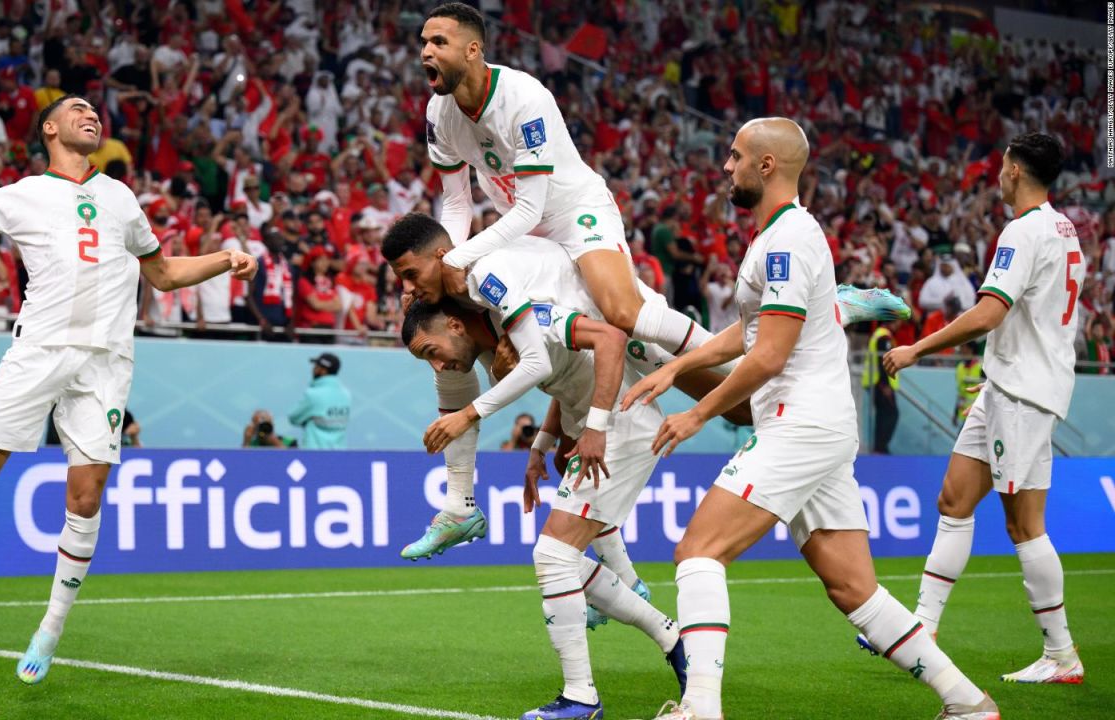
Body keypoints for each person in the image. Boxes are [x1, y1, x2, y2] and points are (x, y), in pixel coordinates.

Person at [0, 97, 258, 685]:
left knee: (86, 496)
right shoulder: (22, 193)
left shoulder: (121, 197)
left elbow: (164, 273)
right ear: (49, 128)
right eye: (77, 109)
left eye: (95, 110)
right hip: (38, 352)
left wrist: (225, 258)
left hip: (105, 362)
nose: (92, 114)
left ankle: (49, 630)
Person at [622, 118, 995, 720]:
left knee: (698, 551)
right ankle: (968, 702)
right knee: (854, 589)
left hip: (800, 424)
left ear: (766, 166)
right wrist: (678, 366)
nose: (725, 166)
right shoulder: (777, 235)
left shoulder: (789, 239)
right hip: (817, 428)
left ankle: (699, 708)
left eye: (735, 156)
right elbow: (747, 334)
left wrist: (697, 413)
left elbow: (768, 355)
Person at [384, 212, 906, 561]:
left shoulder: (480, 274)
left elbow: (545, 348)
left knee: (742, 396)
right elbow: (551, 377)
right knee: (735, 412)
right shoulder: (452, 304)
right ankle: (462, 505)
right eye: (401, 284)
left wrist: (496, 416)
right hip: (590, 343)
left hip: (624, 322)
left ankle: (833, 306)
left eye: (409, 277)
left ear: (439, 256)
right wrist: (542, 441)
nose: (406, 291)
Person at [402, 298, 695, 719]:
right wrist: (541, 445)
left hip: (620, 430)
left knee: (552, 556)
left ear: (455, 324)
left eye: (432, 352)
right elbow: (565, 379)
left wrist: (592, 429)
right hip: (603, 430)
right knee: (563, 560)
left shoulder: (528, 313)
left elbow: (606, 338)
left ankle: (581, 697)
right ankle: (672, 637)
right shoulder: (503, 343)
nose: (437, 367)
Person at [883, 133, 1085, 685]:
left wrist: (918, 346)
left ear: (1016, 171)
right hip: (1007, 385)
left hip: (1022, 392)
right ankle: (922, 627)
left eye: (1001, 167)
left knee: (1025, 525)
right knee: (953, 498)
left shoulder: (1023, 231)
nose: (997, 176)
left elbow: (988, 313)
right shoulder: (1065, 230)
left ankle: (1061, 654)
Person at [419, 3, 703, 357]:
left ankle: (724, 352)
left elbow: (531, 209)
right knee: (479, 298)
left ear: (472, 50)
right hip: (523, 230)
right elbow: (457, 203)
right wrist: (445, 258)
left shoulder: (524, 98)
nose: (426, 51)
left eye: (439, 42)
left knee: (623, 313)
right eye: (425, 42)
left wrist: (455, 258)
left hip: (573, 212)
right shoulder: (438, 113)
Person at [288, 352, 351, 449]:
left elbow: (293, 418)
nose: (313, 369)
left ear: (323, 370)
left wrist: (307, 420)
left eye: (316, 366)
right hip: (340, 451)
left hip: (315, 452)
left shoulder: (313, 394)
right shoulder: (347, 394)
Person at [863, 321, 899, 454]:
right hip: (880, 383)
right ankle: (881, 447)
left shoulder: (878, 334)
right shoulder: (884, 337)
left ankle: (879, 448)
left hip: (875, 382)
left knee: (882, 415)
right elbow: (883, 361)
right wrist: (885, 384)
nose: (899, 324)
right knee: (892, 414)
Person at [953, 343, 983, 423]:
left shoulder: (981, 367)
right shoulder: (959, 367)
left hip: (978, 413)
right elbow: (960, 392)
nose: (960, 349)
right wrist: (955, 412)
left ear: (970, 349)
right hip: (964, 412)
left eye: (963, 346)